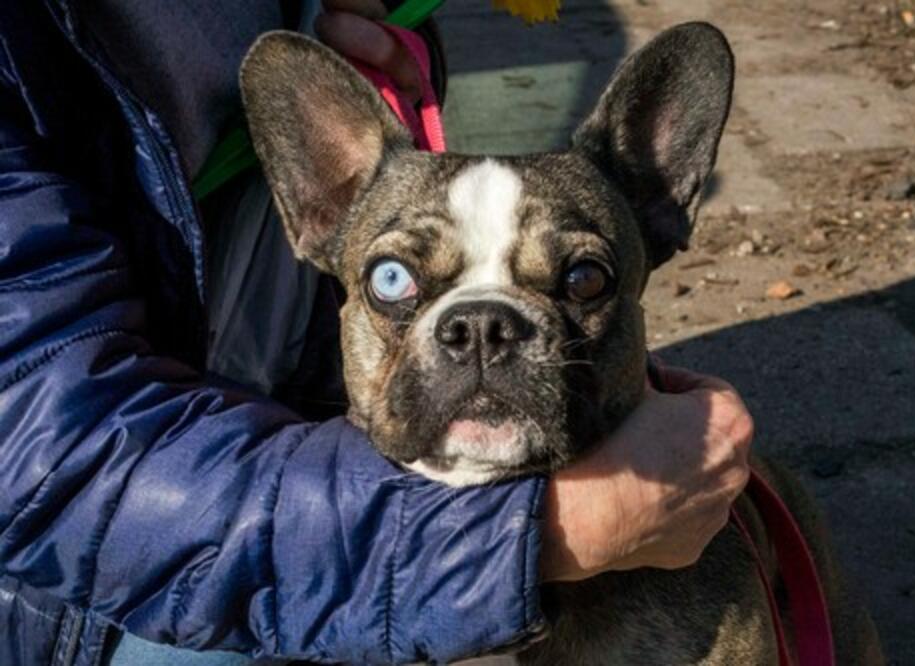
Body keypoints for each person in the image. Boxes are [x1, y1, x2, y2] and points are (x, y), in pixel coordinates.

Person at [0, 1, 753, 665]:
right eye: (398, 282)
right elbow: (52, 454)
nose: (482, 336)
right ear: (317, 209)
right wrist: (568, 527)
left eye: (579, 281)